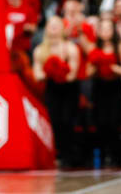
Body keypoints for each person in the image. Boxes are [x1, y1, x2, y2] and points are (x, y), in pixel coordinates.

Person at [33, 16, 81, 166]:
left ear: (62, 28)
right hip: (52, 87)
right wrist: (50, 72)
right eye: (50, 25)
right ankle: (60, 153)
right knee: (55, 120)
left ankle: (72, 154)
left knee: (68, 120)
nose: (53, 27)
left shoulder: (70, 48)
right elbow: (37, 74)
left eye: (56, 25)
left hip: (69, 88)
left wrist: (61, 71)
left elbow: (73, 74)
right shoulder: (40, 50)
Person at [88, 18, 121, 166]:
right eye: (102, 29)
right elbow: (88, 71)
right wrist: (97, 65)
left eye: (108, 28)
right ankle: (103, 155)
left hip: (115, 87)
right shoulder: (95, 47)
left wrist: (111, 66)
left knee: (114, 123)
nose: (105, 32)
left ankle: (116, 156)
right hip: (99, 88)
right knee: (100, 123)